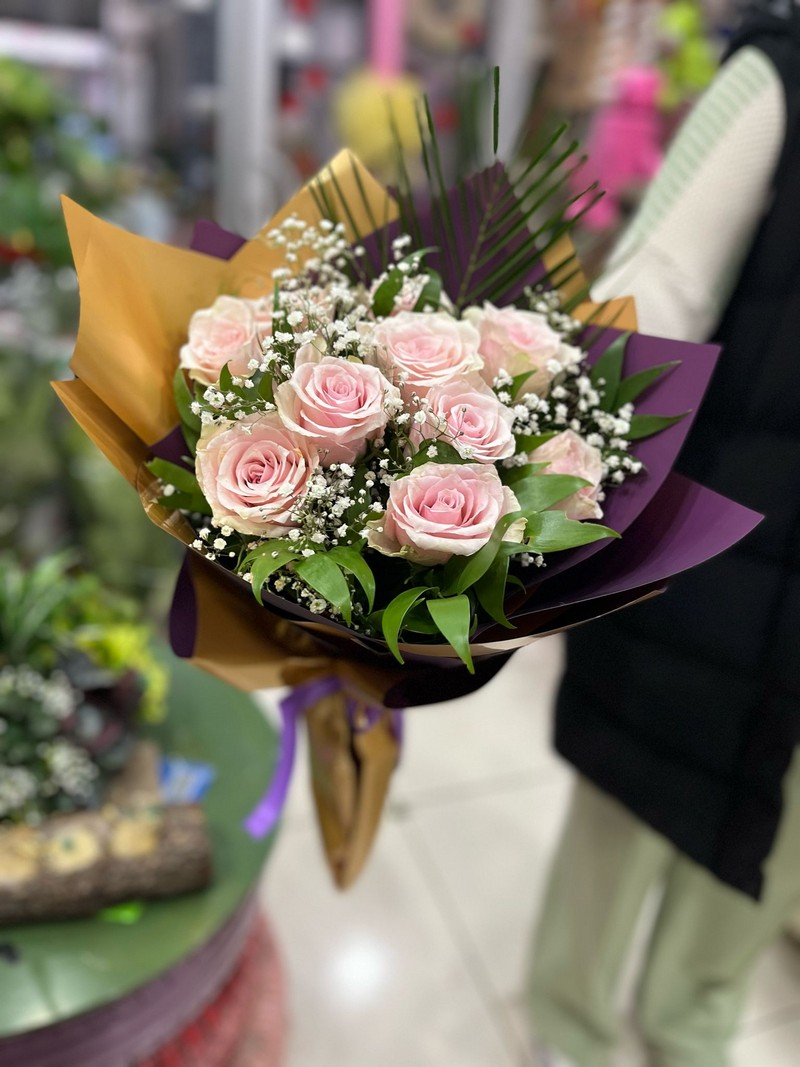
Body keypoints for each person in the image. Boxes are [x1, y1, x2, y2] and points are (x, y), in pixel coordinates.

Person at [529, 4, 800, 1065]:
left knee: (770, 842)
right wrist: (519, 495)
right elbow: (657, 293)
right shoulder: (776, 75)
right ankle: (572, 1028)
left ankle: (691, 1033)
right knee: (636, 788)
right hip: (718, 547)